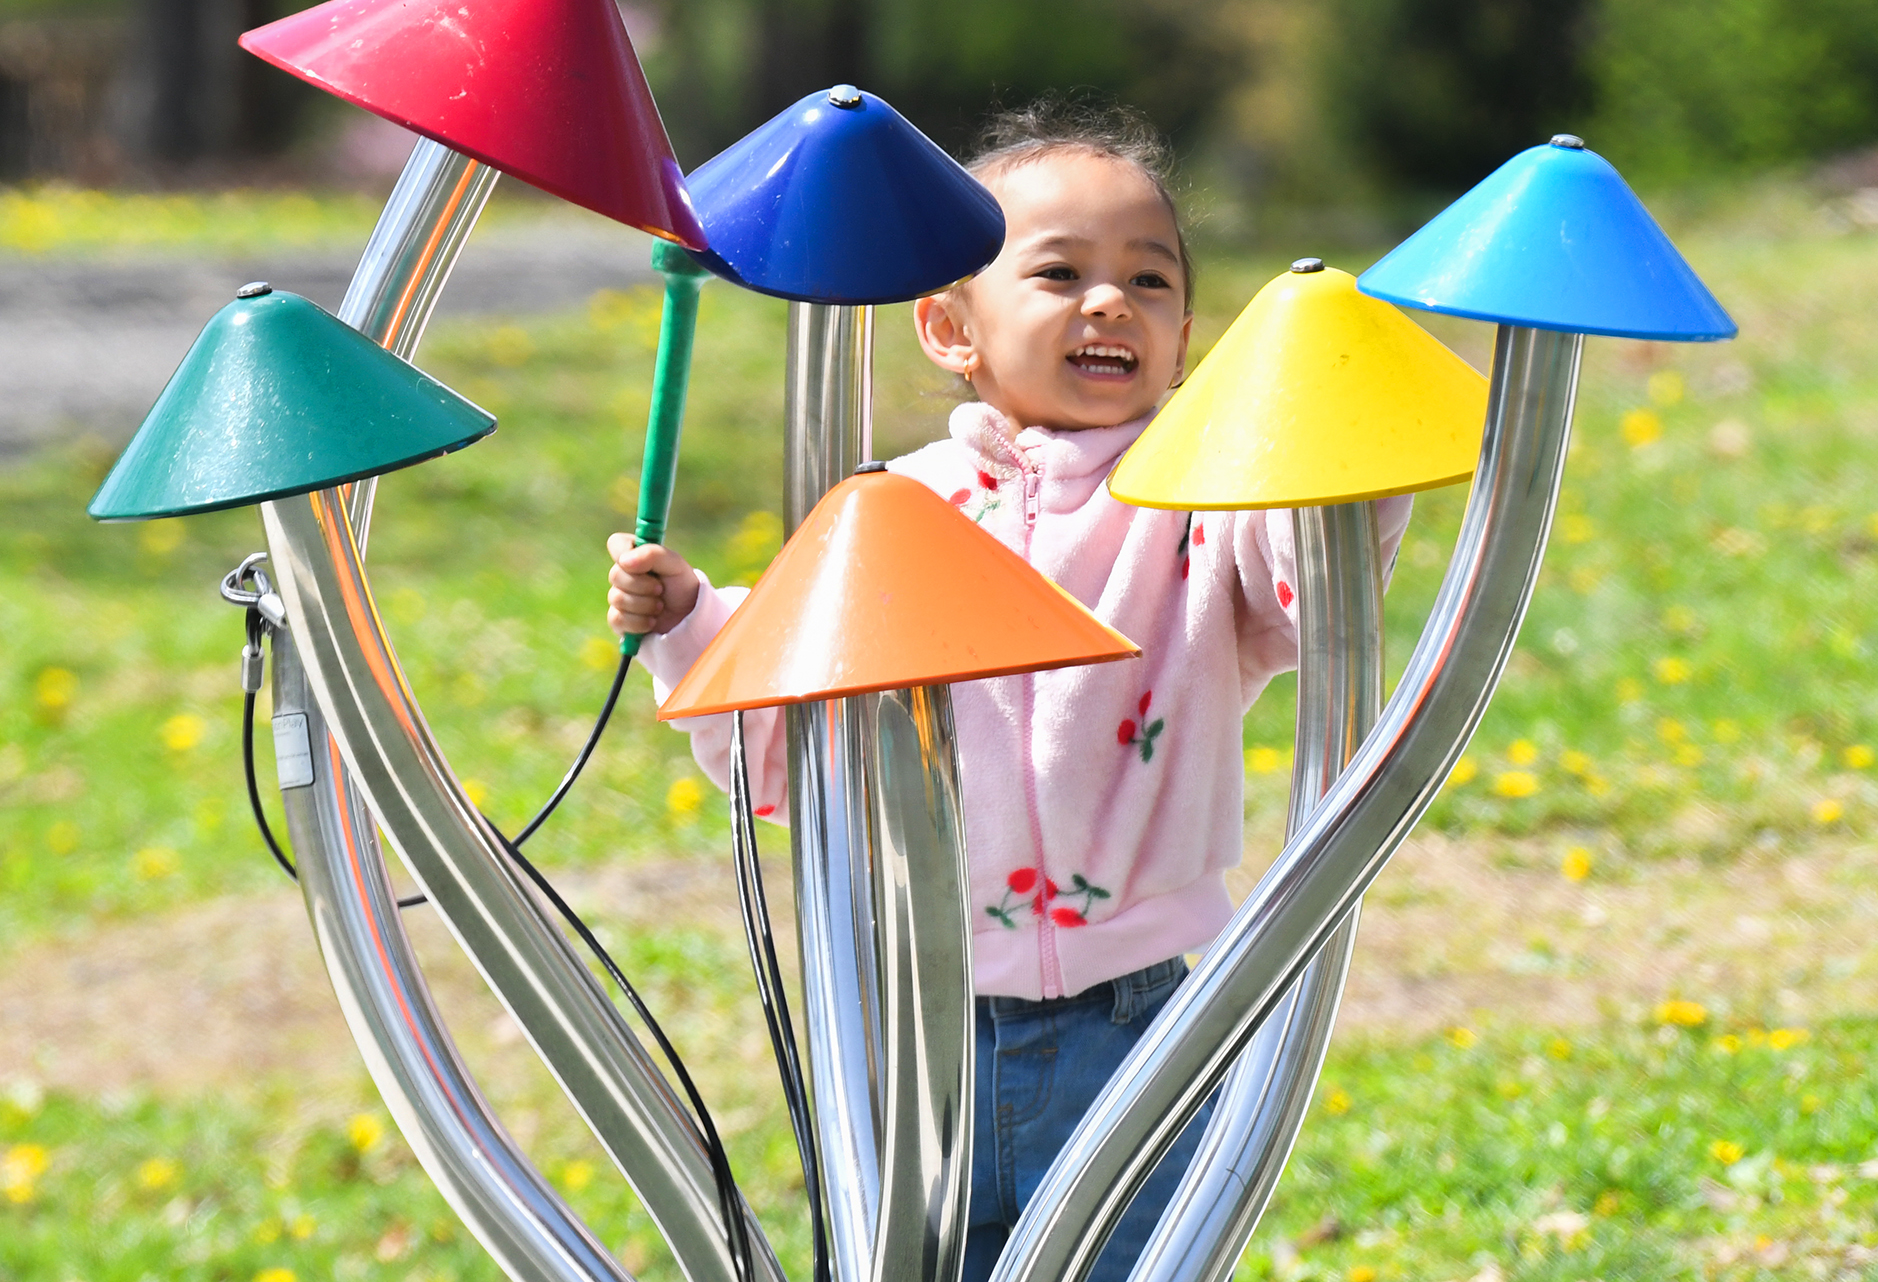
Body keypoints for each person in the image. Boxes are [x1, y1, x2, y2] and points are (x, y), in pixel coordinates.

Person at [604, 100, 1411, 1282]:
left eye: (1149, 279)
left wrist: (1338, 463)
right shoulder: (895, 506)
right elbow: (797, 711)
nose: (1110, 302)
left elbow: (1305, 591)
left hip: (1138, 1021)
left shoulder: (1195, 499)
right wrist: (689, 618)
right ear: (950, 325)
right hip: (915, 1024)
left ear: (1186, 337)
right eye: (1059, 272)